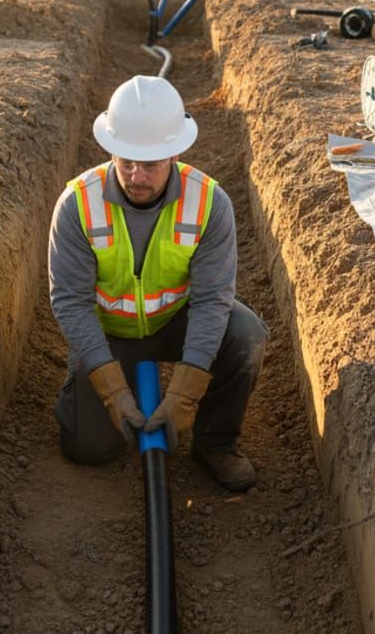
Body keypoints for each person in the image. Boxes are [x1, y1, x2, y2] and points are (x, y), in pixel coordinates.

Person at [48, 75, 267, 491]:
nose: (135, 175)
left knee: (246, 336)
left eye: (149, 164)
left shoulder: (209, 203)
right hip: (111, 331)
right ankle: (85, 383)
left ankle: (215, 443)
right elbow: (71, 303)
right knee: (89, 449)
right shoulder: (77, 204)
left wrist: (184, 394)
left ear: (176, 152)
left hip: (176, 321)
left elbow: (211, 301)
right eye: (125, 160)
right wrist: (113, 392)